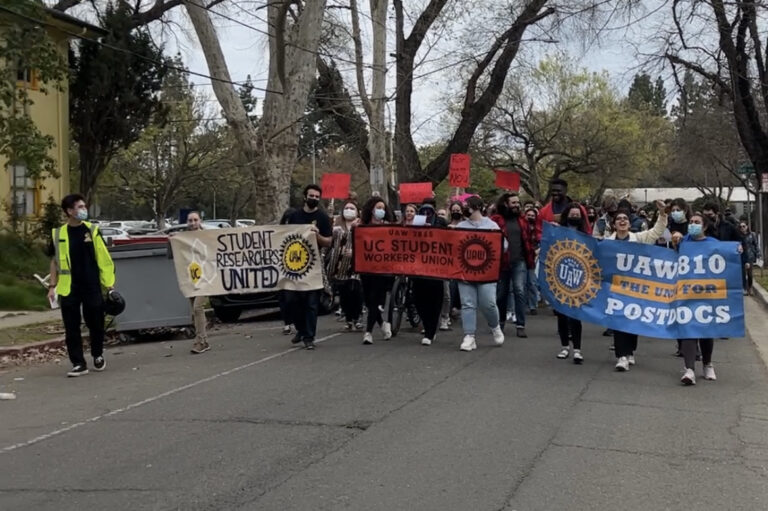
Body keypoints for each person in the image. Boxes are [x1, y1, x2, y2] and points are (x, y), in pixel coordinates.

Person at [47, 194, 115, 377]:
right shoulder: (58, 233)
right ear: (69, 211)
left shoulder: (92, 230)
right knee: (71, 327)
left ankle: (97, 354)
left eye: (84, 206)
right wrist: (52, 286)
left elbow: (104, 259)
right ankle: (78, 363)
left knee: (96, 322)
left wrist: (109, 285)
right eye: (80, 207)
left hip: (91, 284)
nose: (84, 210)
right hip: (69, 287)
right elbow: (54, 261)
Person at [607, 200, 668, 372]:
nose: (622, 221)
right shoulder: (606, 243)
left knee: (632, 320)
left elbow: (657, 231)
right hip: (616, 288)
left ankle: (630, 351)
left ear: (629, 222)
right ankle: (621, 356)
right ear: (614, 224)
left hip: (635, 288)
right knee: (618, 320)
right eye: (618, 218)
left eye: (625, 218)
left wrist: (663, 214)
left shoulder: (639, 238)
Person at [670, 214, 729, 385]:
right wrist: (676, 243)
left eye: (697, 223)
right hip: (686, 294)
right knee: (688, 328)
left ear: (704, 227)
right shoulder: (683, 242)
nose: (693, 225)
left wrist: (737, 251)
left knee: (705, 330)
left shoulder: (713, 244)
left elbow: (727, 259)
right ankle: (689, 369)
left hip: (706, 295)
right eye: (691, 222)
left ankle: (707, 364)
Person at [285, 184, 333, 350]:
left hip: (314, 265)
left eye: (317, 197)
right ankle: (301, 329)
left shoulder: (323, 217)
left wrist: (317, 235)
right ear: (305, 196)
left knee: (311, 302)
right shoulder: (295, 216)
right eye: (311, 196)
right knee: (292, 301)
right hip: (295, 265)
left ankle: (309, 337)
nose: (314, 199)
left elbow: (328, 241)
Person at [456, 196, 505, 351]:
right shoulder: (461, 226)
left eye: (466, 206)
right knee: (467, 303)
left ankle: (495, 326)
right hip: (466, 271)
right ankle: (469, 336)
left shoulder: (492, 225)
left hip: (486, 272)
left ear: (476, 207)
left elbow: (503, 246)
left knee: (488, 303)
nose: (464, 209)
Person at [490, 192, 538, 338]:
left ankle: (520, 324)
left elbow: (528, 241)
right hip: (502, 262)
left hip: (520, 261)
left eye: (518, 203)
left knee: (519, 291)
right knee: (501, 294)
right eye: (514, 202)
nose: (517, 205)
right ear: (505, 204)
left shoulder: (522, 221)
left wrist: (530, 256)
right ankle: (500, 323)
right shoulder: (496, 221)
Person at [554, 203, 588, 364]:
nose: (575, 216)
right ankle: (564, 347)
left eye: (577, 214)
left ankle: (577, 350)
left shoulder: (585, 235)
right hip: (560, 277)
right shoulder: (557, 232)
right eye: (572, 214)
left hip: (578, 278)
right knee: (561, 314)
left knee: (575, 315)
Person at [412, 199, 449, 346]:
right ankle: (427, 325)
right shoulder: (417, 221)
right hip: (418, 267)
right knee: (418, 299)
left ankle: (430, 331)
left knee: (435, 300)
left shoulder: (441, 222)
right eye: (423, 211)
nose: (426, 213)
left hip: (436, 267)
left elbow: (448, 239)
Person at [359, 197, 394, 344]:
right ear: (371, 209)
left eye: (383, 208)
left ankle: (368, 332)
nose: (381, 210)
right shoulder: (362, 227)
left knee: (375, 300)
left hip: (382, 270)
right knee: (369, 301)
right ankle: (382, 324)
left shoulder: (388, 227)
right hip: (366, 269)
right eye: (378, 207)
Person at [329, 200, 364, 329]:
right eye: (347, 208)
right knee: (344, 293)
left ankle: (358, 316)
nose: (349, 210)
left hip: (356, 266)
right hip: (340, 266)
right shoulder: (337, 225)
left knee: (356, 290)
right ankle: (349, 318)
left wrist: (355, 252)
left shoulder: (362, 225)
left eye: (352, 208)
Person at [185, 211, 211, 354]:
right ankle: (203, 340)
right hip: (191, 280)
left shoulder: (207, 237)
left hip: (206, 279)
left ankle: (200, 340)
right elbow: (172, 255)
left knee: (198, 307)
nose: (193, 223)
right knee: (195, 311)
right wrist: (170, 242)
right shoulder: (183, 239)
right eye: (190, 220)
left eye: (195, 220)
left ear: (200, 221)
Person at [277, 207, 297, 335]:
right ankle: (287, 323)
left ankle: (294, 321)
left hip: (296, 270)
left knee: (293, 298)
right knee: (285, 298)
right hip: (282, 271)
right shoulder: (278, 234)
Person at [524, 207, 541, 314]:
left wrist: (537, 251)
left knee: (532, 283)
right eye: (528, 215)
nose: (530, 217)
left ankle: (533, 306)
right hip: (522, 257)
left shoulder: (538, 230)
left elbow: (541, 241)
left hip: (534, 259)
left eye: (532, 215)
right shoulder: (522, 228)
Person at [740, 222, 761, 296]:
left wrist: (758, 254)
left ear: (747, 226)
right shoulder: (739, 236)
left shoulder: (752, 235)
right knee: (743, 273)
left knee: (750, 274)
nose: (742, 228)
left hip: (750, 256)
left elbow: (755, 244)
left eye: (743, 226)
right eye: (741, 227)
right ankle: (744, 288)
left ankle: (750, 287)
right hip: (742, 256)